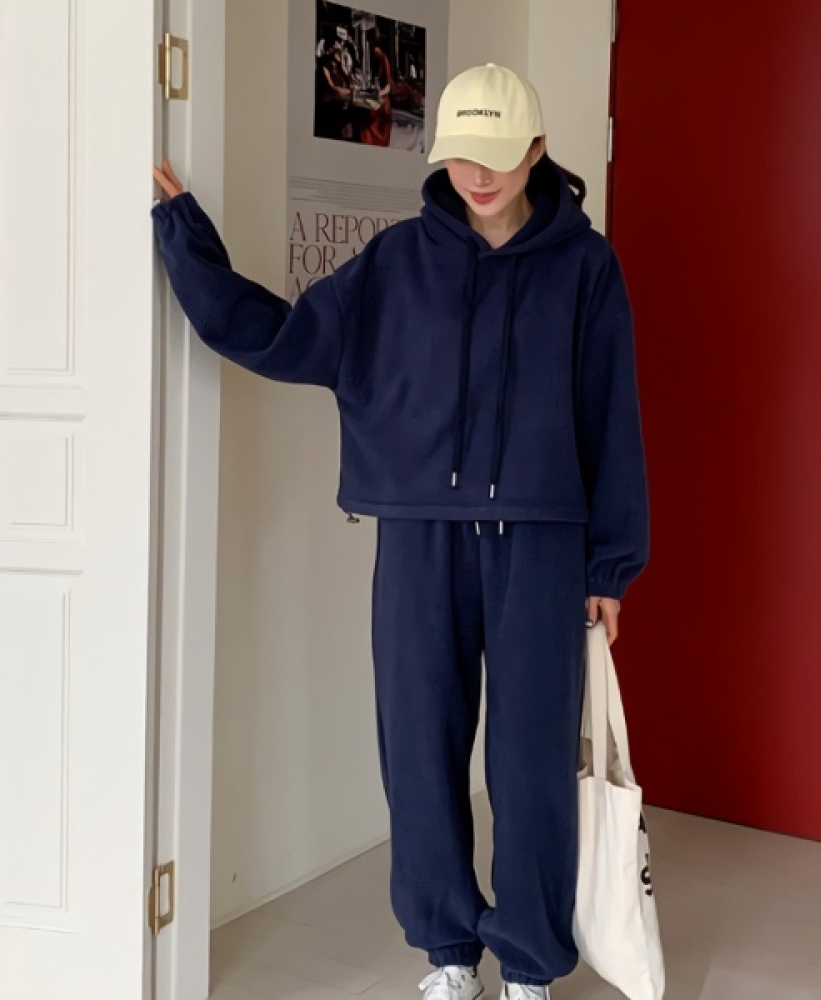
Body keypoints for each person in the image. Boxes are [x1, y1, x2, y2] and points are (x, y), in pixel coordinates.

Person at [152, 63, 648, 1000]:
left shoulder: (586, 267)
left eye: (497, 154)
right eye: (460, 153)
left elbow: (610, 415)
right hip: (420, 538)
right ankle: (449, 951)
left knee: (532, 763)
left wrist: (610, 566)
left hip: (541, 543)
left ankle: (530, 963)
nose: (477, 174)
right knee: (419, 748)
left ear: (538, 151)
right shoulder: (395, 262)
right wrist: (186, 239)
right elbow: (287, 337)